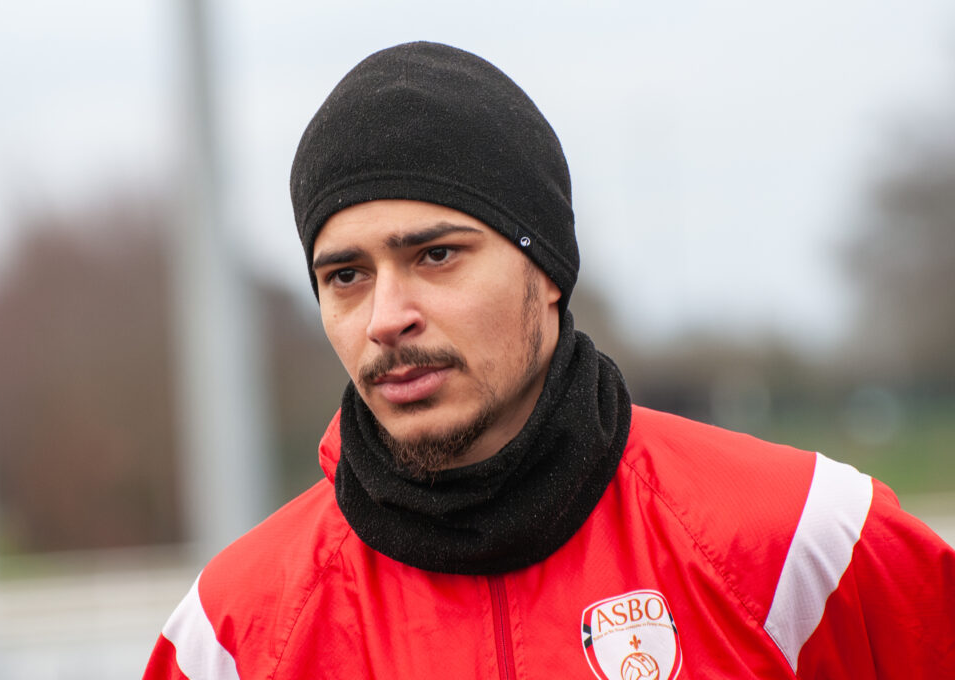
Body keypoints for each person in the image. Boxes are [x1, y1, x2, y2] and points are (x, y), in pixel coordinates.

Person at [144, 41, 954, 679]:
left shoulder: (805, 544)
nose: (386, 319)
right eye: (346, 276)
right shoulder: (233, 633)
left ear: (548, 271)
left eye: (436, 255)